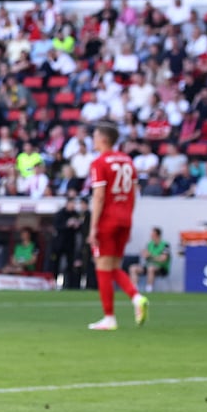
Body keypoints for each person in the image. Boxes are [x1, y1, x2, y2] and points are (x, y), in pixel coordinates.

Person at [87, 124, 148, 330]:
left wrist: (93, 226)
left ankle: (109, 317)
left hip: (107, 219)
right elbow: (133, 194)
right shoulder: (128, 161)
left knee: (103, 267)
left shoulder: (99, 163)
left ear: (103, 139)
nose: (93, 141)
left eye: (95, 137)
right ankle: (136, 297)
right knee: (114, 266)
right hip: (125, 218)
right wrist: (128, 220)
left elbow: (99, 195)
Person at [128, 227, 170, 294]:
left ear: (157, 235)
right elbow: (147, 256)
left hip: (161, 268)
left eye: (152, 234)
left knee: (151, 268)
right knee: (133, 268)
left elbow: (163, 258)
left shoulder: (166, 245)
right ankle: (135, 289)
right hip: (148, 265)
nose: (150, 235)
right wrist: (144, 254)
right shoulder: (149, 244)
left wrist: (150, 256)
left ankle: (149, 289)